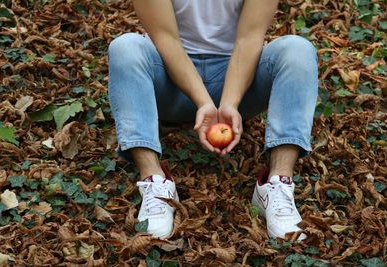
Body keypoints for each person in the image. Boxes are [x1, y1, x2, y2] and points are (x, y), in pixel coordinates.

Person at [108, 0, 318, 240]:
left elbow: (249, 38)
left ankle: (277, 183)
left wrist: (230, 102)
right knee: (125, 47)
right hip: (170, 83)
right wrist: (203, 102)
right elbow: (166, 39)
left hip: (238, 80)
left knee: (297, 50)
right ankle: (154, 182)